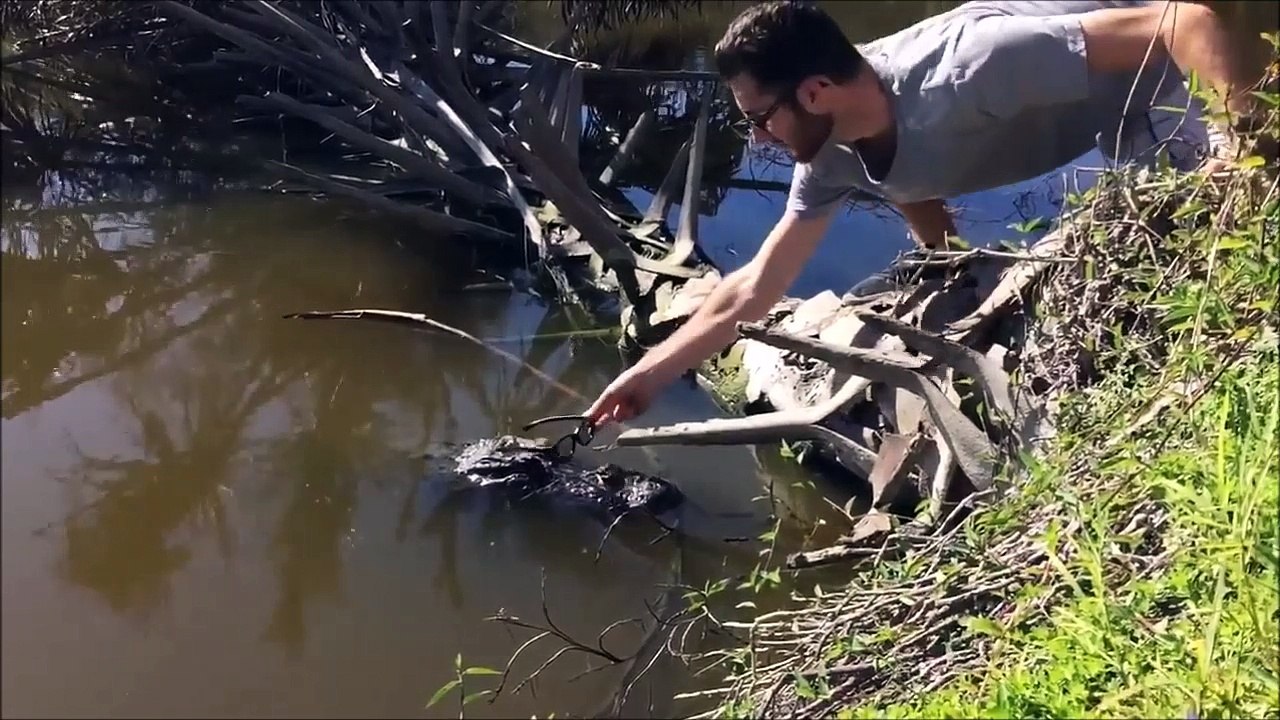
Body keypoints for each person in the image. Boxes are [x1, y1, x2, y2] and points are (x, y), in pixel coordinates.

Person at [586, 0, 1270, 430]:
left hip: (1179, 77)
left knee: (1232, 247)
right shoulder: (833, 152)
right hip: (1123, 121)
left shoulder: (971, 68)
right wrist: (650, 375)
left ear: (816, 90)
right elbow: (754, 286)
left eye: (759, 118)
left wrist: (1245, 153)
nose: (758, 137)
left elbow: (1192, 21)